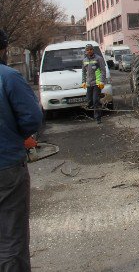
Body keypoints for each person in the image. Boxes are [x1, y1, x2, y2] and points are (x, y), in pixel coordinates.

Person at [0, 29, 42, 271]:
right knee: (11, 239)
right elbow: (32, 118)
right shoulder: (8, 77)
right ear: (4, 48)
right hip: (6, 169)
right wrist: (21, 135)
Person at [82, 44, 107, 124]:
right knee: (89, 101)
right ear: (86, 51)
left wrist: (102, 81)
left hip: (97, 83)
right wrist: (83, 82)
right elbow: (83, 72)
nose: (89, 51)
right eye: (88, 50)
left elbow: (103, 71)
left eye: (91, 49)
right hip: (89, 83)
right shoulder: (84, 60)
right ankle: (99, 106)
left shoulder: (99, 58)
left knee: (95, 100)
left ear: (93, 50)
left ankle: (98, 118)